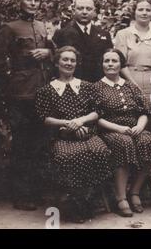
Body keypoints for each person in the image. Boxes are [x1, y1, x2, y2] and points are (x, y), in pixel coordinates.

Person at [0, 0, 53, 211]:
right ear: (20, 2)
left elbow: (52, 52)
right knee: (22, 144)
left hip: (42, 90)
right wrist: (11, 84)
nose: (32, 3)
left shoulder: (41, 26)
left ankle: (36, 192)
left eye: (36, 0)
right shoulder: (9, 28)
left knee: (39, 143)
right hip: (20, 94)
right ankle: (20, 195)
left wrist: (48, 53)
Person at [35, 46, 112, 223]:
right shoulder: (46, 90)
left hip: (87, 133)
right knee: (68, 157)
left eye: (72, 60)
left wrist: (80, 121)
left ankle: (88, 200)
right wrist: (68, 124)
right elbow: (45, 118)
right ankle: (74, 206)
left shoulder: (86, 86)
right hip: (61, 136)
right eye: (65, 59)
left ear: (77, 64)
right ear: (57, 62)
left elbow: (97, 112)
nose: (69, 63)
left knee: (99, 151)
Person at [94, 49, 151, 216]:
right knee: (123, 143)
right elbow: (96, 118)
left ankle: (134, 192)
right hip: (109, 131)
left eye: (114, 61)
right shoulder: (95, 87)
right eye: (107, 61)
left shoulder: (131, 86)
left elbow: (144, 111)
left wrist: (140, 126)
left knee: (149, 141)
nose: (110, 64)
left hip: (134, 129)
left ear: (121, 64)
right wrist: (118, 128)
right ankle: (121, 197)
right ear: (102, 64)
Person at [52, 0, 113, 82]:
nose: (84, 12)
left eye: (88, 9)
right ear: (73, 10)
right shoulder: (62, 33)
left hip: (98, 84)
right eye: (80, 8)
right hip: (71, 84)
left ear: (94, 11)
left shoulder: (104, 34)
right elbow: (55, 62)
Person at [116, 0, 151, 99]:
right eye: (140, 9)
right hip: (129, 81)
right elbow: (121, 64)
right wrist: (133, 85)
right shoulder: (123, 34)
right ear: (134, 12)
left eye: (148, 10)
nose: (144, 13)